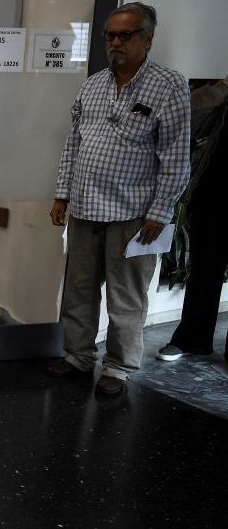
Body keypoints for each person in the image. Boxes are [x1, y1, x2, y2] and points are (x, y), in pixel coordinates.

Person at [48, 2, 190, 395]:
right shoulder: (92, 84)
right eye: (110, 35)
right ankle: (78, 357)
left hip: (134, 214)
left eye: (125, 35)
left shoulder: (168, 85)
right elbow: (72, 143)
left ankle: (118, 368)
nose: (115, 42)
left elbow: (176, 154)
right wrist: (62, 194)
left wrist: (161, 212)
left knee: (126, 296)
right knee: (78, 288)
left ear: (147, 38)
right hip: (86, 208)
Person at [156, 77, 228, 364]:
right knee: (204, 270)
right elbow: (194, 107)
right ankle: (192, 339)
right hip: (214, 193)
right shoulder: (222, 94)